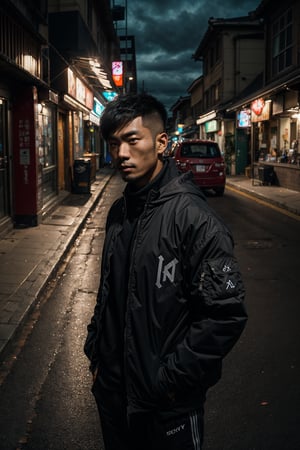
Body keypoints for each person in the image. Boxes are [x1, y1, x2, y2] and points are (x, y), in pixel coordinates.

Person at [84, 93, 247, 450]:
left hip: (165, 408)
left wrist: (169, 382)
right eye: (114, 144)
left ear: (160, 143)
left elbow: (225, 316)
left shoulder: (195, 220)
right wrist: (95, 350)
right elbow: (110, 291)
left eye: (131, 140)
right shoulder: (119, 212)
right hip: (113, 396)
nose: (121, 154)